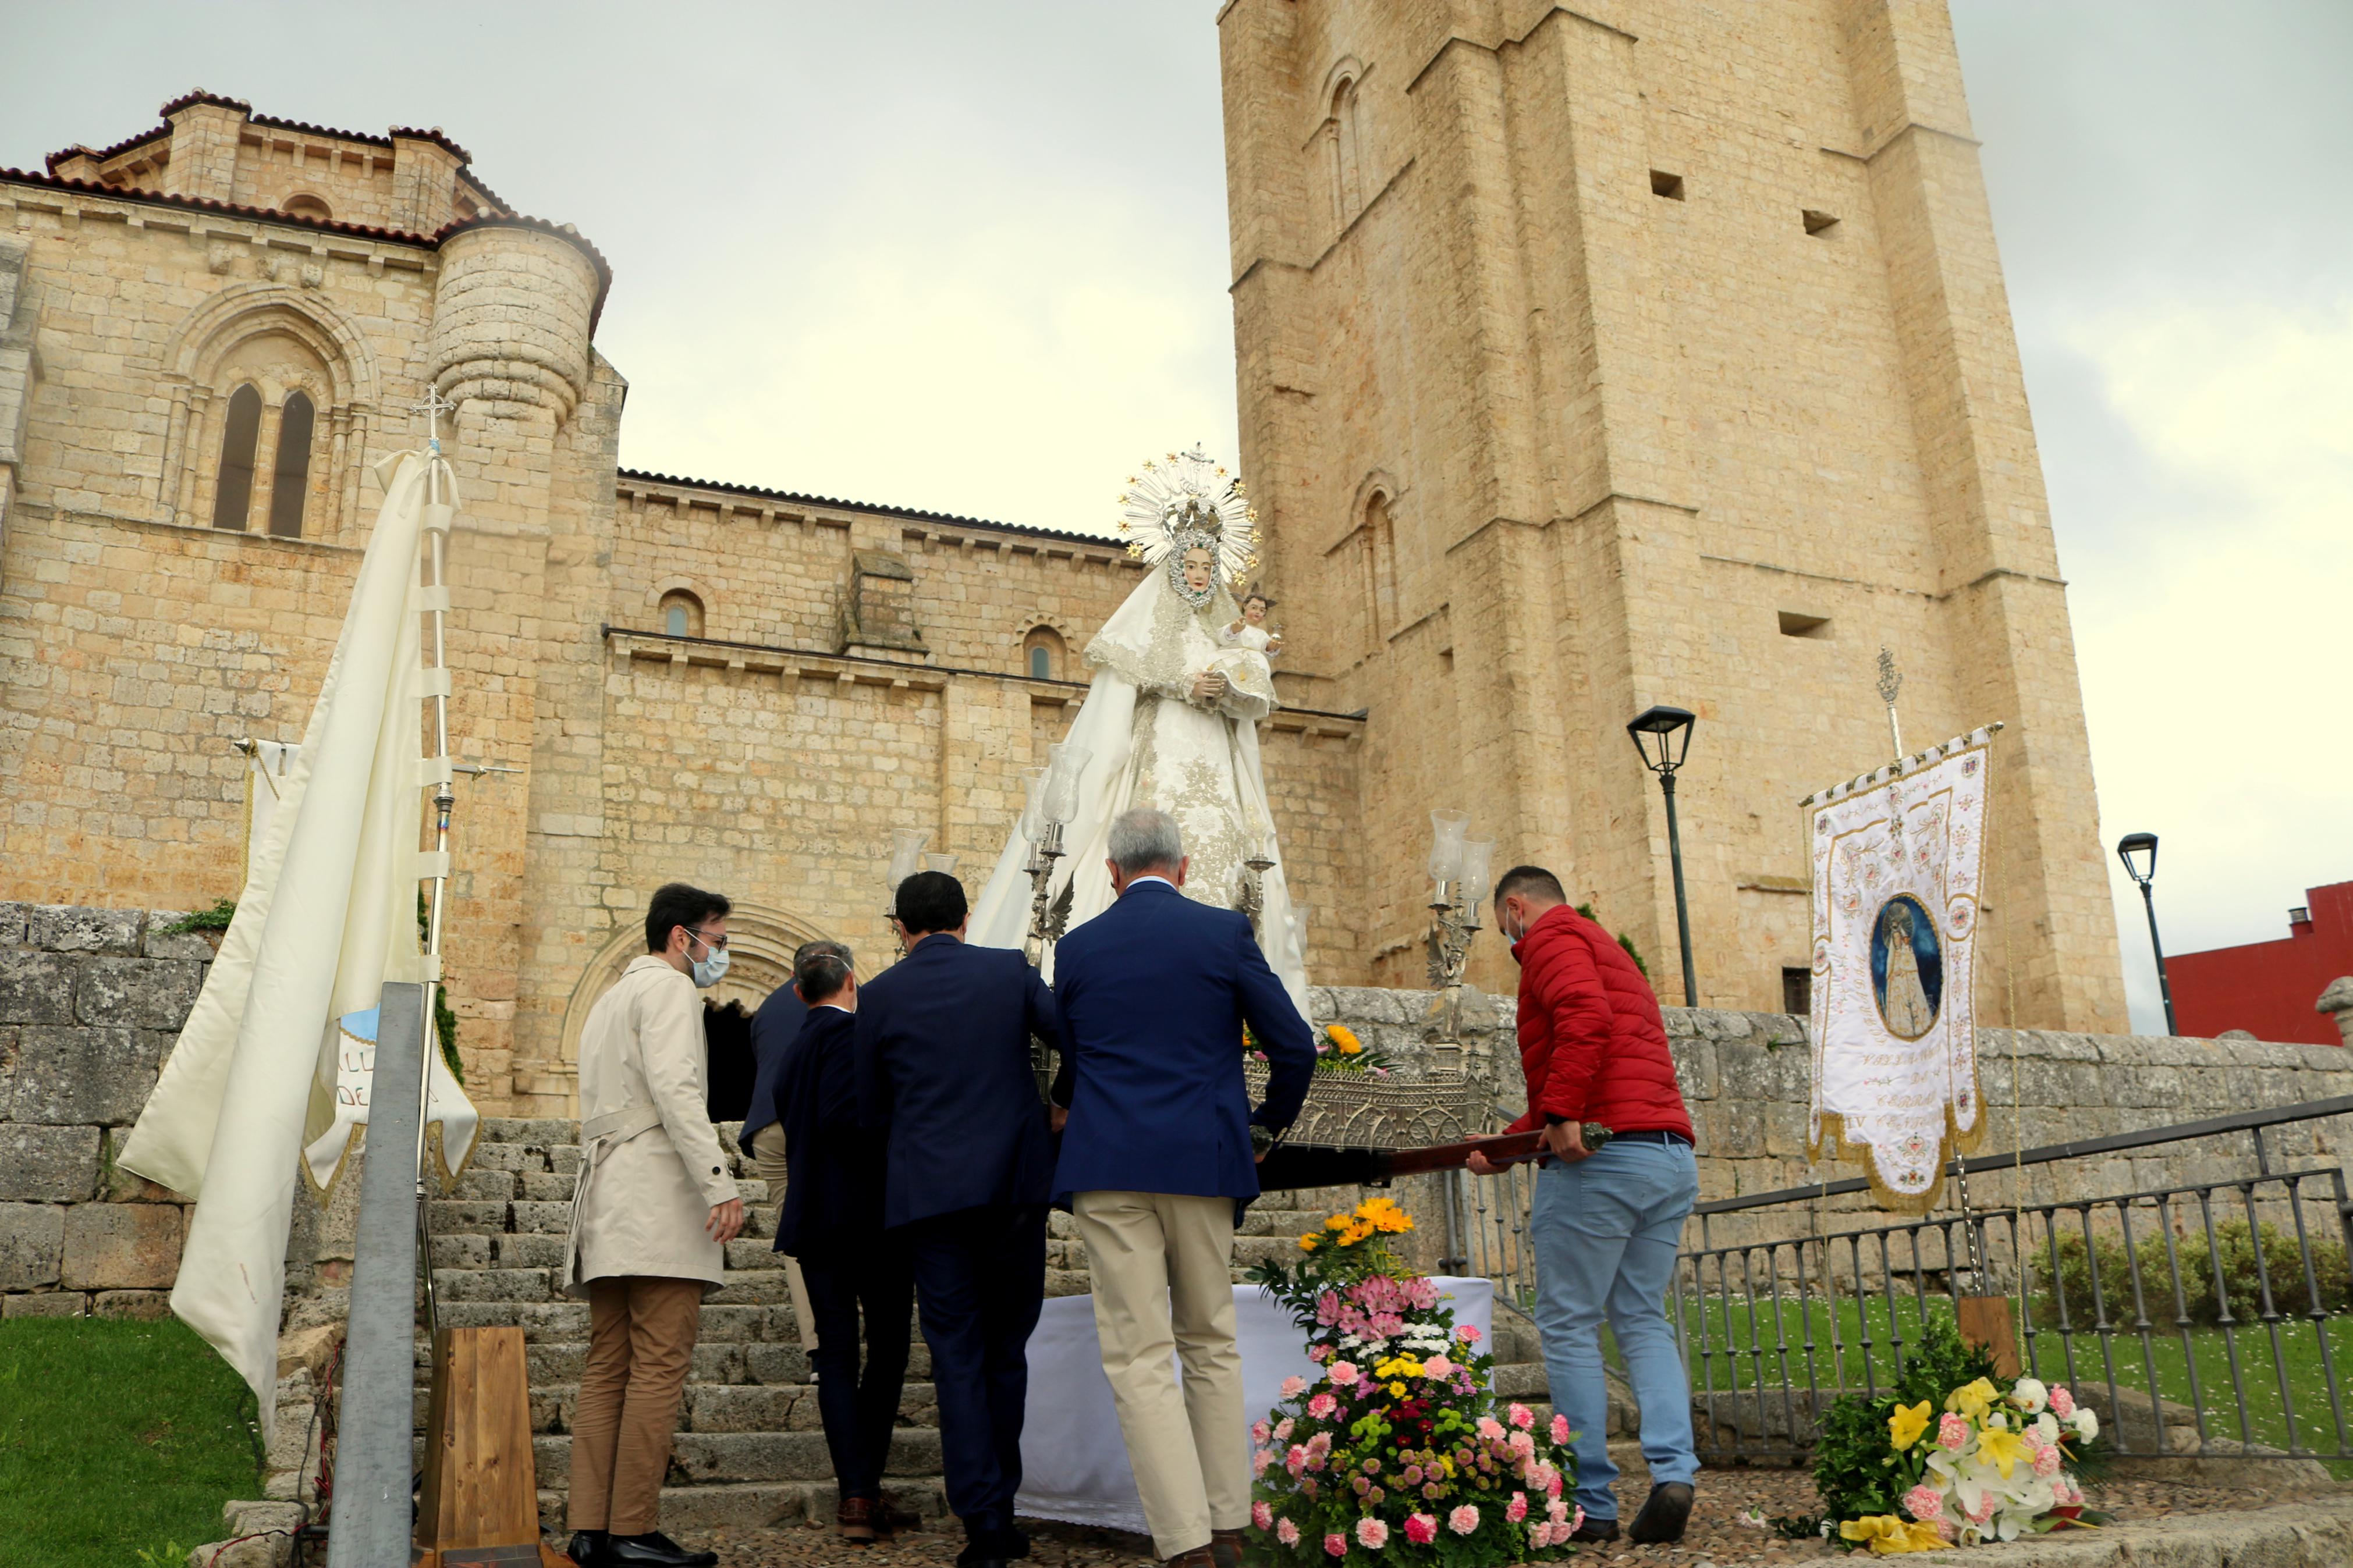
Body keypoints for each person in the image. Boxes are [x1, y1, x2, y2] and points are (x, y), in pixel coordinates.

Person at [1049, 808, 1317, 1568]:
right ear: (1183, 866)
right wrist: (1265, 1124)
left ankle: (1184, 1540)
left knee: (1136, 1352)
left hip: (1106, 1163)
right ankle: (1228, 1522)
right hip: (1202, 1155)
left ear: (1111, 872)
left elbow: (1074, 1055)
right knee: (1208, 1336)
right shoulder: (1222, 932)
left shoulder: (1077, 946)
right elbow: (1292, 1045)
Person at [968, 447, 1310, 1020]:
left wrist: (1228, 690)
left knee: (1229, 851)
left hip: (1216, 753)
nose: (1201, 575)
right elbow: (1125, 685)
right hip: (1164, 744)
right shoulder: (1147, 620)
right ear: (1175, 566)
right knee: (1154, 829)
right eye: (1193, 566)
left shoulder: (1226, 628)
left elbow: (1256, 691)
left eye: (1209, 566)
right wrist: (1181, 683)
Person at [1465, 867, 1699, 1545]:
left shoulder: (1551, 936)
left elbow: (1582, 1023)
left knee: (1567, 1322)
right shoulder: (1601, 942)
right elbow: (1594, 1052)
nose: (1508, 936)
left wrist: (1564, 1111)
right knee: (1639, 1316)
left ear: (1515, 907)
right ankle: (1673, 1473)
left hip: (1601, 1156)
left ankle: (1588, 1501)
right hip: (1665, 1152)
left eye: (1503, 924)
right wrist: (1505, 1146)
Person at [856, 870, 1063, 1568]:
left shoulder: (878, 996)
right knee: (1007, 1349)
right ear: (965, 918)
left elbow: (867, 1107)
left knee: (956, 1355)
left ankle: (983, 1521)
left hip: (930, 1198)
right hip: (1012, 1187)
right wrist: (1056, 1104)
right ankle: (1001, 1505)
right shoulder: (1009, 972)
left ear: (901, 927)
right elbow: (1073, 1032)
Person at [563, 883, 747, 1568]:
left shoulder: (610, 999)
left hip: (608, 1195)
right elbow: (676, 1089)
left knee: (608, 1364)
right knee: (658, 1364)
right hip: (658, 1194)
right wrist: (717, 1181)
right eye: (717, 940)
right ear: (681, 937)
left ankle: (590, 1524)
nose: (719, 953)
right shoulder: (670, 991)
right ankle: (632, 1526)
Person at [769, 940, 919, 1543]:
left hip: (815, 1222)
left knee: (836, 1354)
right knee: (886, 1350)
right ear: (852, 983)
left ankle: (860, 1491)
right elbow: (845, 1119)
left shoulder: (792, 1051)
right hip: (867, 1219)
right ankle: (860, 1491)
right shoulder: (847, 1038)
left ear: (800, 991)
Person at [738, 972, 822, 1359]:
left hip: (768, 1125)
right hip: (818, 1121)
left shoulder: (768, 1005)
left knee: (795, 1230)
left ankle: (817, 1345)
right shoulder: (843, 996)